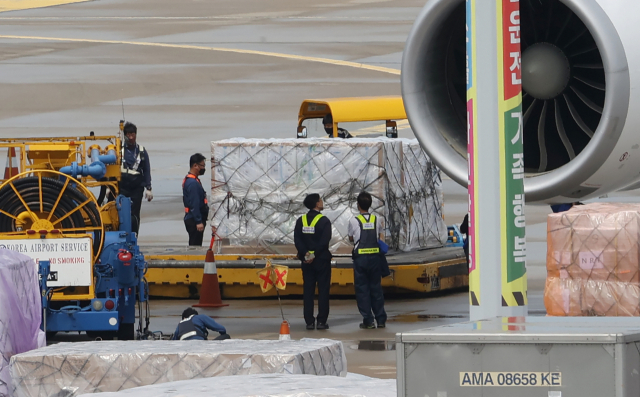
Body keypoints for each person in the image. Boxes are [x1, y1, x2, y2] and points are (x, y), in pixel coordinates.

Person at [348, 191, 387, 329]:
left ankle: (368, 320)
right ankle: (381, 319)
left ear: (358, 205)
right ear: (370, 205)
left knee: (362, 290)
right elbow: (380, 236)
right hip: (375, 258)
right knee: (376, 288)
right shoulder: (376, 219)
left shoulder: (353, 220)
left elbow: (351, 238)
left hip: (361, 259)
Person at [294, 193, 332, 330]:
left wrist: (306, 254)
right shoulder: (324, 221)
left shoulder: (301, 220)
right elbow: (324, 241)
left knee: (308, 291)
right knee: (323, 290)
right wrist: (313, 254)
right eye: (321, 200)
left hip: (306, 261)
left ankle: (309, 321)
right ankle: (321, 321)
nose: (322, 202)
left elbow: (297, 240)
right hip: (321, 260)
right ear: (317, 204)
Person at [119, 122, 152, 235]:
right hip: (122, 187)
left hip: (136, 188)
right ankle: (121, 235)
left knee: (134, 214)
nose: (131, 137)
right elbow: (112, 168)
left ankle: (134, 235)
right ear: (125, 135)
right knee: (120, 213)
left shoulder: (142, 151)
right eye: (129, 135)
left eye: (133, 134)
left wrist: (149, 188)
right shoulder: (119, 150)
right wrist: (109, 187)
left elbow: (147, 170)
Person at [183, 153, 210, 246]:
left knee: (195, 243)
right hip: (194, 220)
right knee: (195, 245)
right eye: (202, 166)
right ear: (195, 166)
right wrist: (198, 221)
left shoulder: (192, 180)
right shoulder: (192, 183)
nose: (203, 168)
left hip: (193, 218)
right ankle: (193, 260)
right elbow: (194, 203)